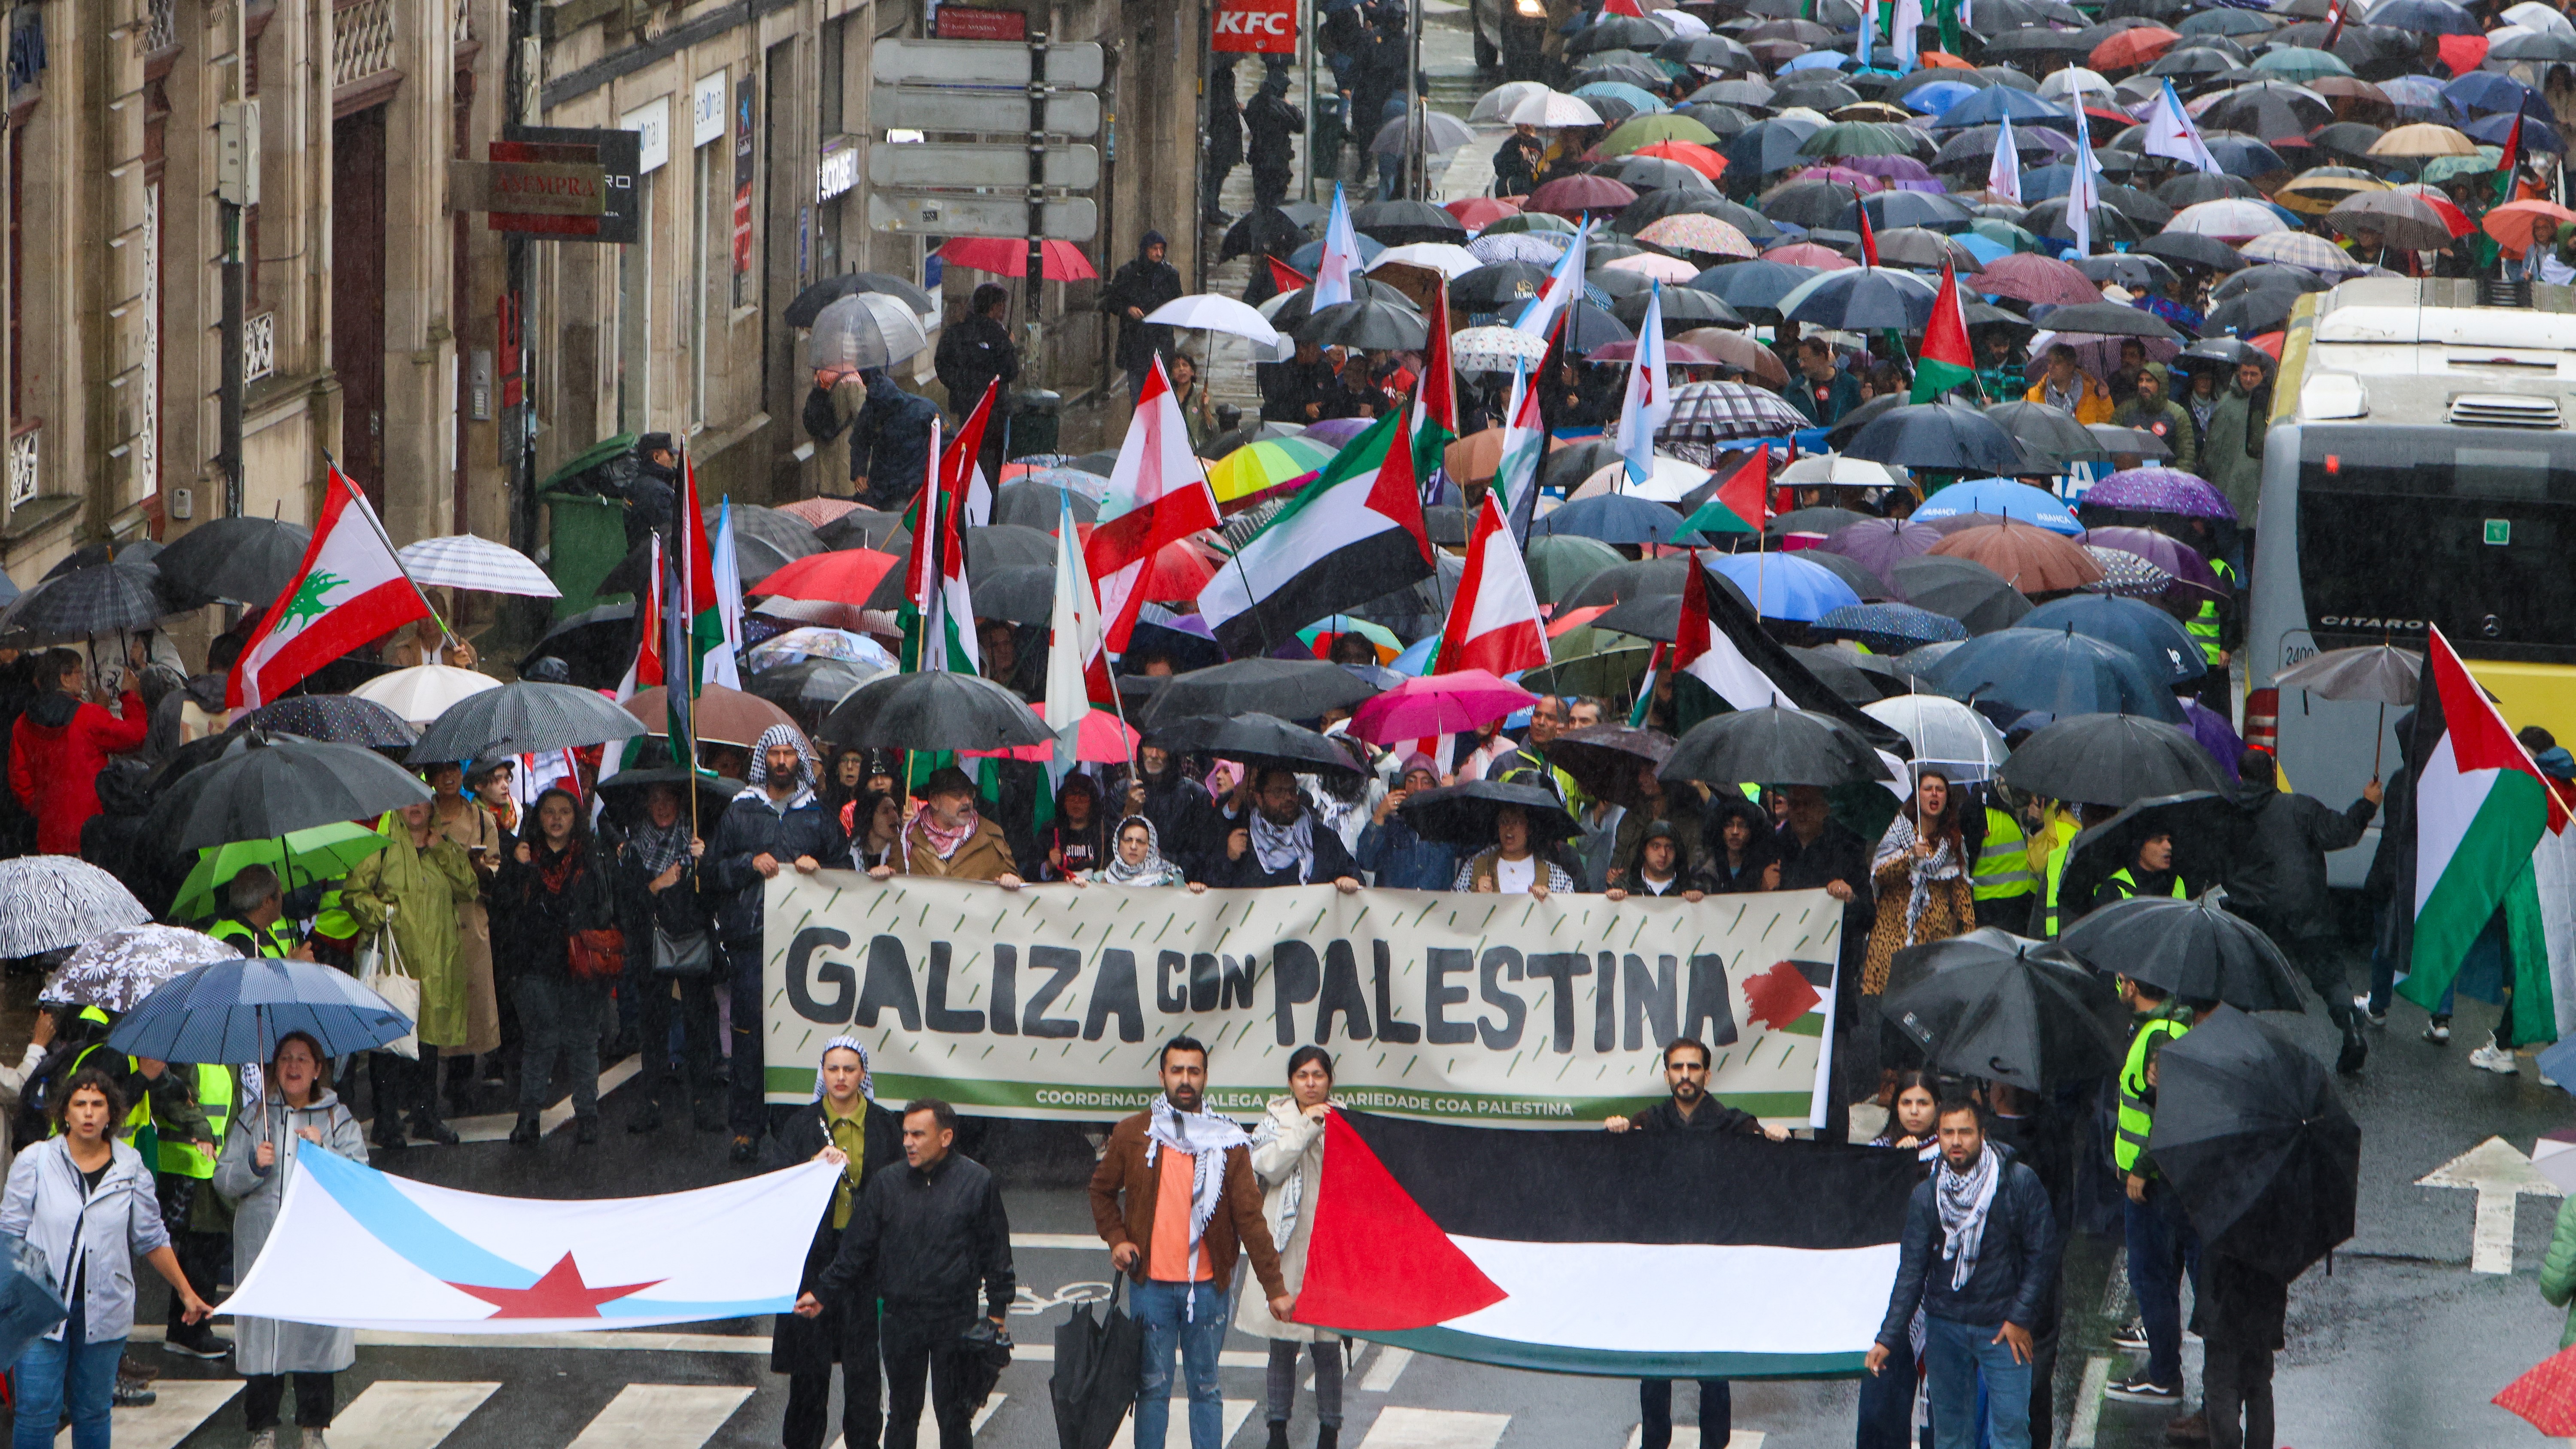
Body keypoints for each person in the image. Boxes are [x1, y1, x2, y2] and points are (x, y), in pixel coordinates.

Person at [1089, 1037, 1293, 1449]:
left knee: (1206, 1388)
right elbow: (1101, 1191)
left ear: (1205, 1077)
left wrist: (1276, 1288)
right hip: (1150, 1287)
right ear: (1162, 1075)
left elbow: (1251, 1219)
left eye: (1194, 1071)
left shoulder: (1230, 1140)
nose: (1186, 1080)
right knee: (1152, 1389)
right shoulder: (1134, 1133)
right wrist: (1117, 1238)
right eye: (1177, 1071)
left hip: (1208, 1289)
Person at [3, 1071, 213, 1449]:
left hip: (105, 1308)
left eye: (97, 1104)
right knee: (36, 1409)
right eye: (79, 1104)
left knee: (93, 1409)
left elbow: (151, 1237)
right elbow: (9, 1235)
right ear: (64, 1112)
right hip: (40, 1310)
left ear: (111, 1113)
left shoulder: (130, 1166)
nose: (88, 1113)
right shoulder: (35, 1160)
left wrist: (186, 1292)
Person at [799, 1098, 1014, 1449]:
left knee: (955, 1416)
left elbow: (996, 1251)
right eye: (906, 1134)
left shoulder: (978, 1182)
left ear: (946, 1137)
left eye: (918, 1134)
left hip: (955, 1318)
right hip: (901, 1319)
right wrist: (823, 1292)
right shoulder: (887, 1184)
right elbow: (856, 1249)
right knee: (902, 1414)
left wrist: (997, 1314)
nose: (908, 1142)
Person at [1604, 1039, 1787, 1449]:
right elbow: (1614, 1174)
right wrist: (1615, 1136)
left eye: (1693, 1067)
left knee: (1713, 1366)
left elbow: (1770, 1170)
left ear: (1708, 1072)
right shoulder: (1647, 1124)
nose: (1685, 1074)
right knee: (1656, 1362)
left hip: (1712, 1264)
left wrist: (1777, 1139)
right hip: (1660, 1263)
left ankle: (1715, 1443)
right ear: (1666, 1072)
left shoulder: (1734, 1125)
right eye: (1677, 1067)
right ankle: (1655, 1439)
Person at [1865, 1098, 2058, 1449]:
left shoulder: (2017, 1181)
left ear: (1982, 1135)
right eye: (1948, 1132)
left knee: (2012, 1432)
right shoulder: (1926, 1195)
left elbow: (2042, 1254)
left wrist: (2020, 1317)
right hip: (1945, 1329)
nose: (1956, 1141)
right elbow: (1911, 1271)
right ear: (1938, 1136)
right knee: (1951, 1436)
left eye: (1965, 1132)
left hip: (2004, 1330)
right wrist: (1887, 1337)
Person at [214, 1033, 362, 1449]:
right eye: (284, 1059)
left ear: (318, 1068)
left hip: (316, 1246)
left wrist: (326, 1151)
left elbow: (360, 1176)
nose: (293, 1067)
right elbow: (223, 1179)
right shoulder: (255, 1116)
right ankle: (263, 1428)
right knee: (265, 1337)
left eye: (302, 1059)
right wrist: (250, 1165)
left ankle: (313, 1429)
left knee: (313, 1335)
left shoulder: (337, 1117)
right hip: (261, 1245)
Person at [713, 726, 851, 1161]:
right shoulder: (739, 812)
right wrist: (747, 863)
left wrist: (820, 868)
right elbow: (712, 873)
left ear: (800, 761)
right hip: (752, 941)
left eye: (790, 753)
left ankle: (795, 1127)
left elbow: (847, 870)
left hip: (805, 947)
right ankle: (746, 1127)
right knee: (749, 1034)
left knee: (801, 1034)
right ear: (763, 760)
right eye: (773, 753)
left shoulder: (818, 815)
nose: (781, 761)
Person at [769, 1039, 902, 1449]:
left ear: (864, 1073)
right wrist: (810, 1166)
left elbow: (898, 1187)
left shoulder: (884, 1125)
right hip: (815, 1259)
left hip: (864, 1261)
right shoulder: (801, 1125)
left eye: (850, 1068)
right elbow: (777, 1183)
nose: (841, 1077)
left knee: (863, 1370)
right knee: (810, 1371)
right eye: (833, 1069)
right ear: (822, 1073)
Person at [2225, 748, 2379, 1074]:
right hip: (2305, 907)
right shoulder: (2299, 808)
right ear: (2272, 776)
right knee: (2329, 974)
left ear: (2240, 777)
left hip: (2252, 912)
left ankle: (2231, 1044)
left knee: (2238, 974)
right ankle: (2350, 1030)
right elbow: (2341, 833)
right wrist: (2367, 804)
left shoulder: (2227, 813)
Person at [340, 796, 477, 1150]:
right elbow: (353, 893)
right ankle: (386, 1121)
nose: (414, 806)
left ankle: (425, 1115)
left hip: (437, 962)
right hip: (394, 962)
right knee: (389, 1045)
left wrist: (441, 848)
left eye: (421, 799)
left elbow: (469, 888)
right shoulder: (382, 848)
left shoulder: (441, 846)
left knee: (428, 1042)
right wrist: (384, 912)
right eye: (406, 800)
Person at [2109, 977, 2215, 1408]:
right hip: (2164, 1178)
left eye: (2120, 980)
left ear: (2132, 985)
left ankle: (2163, 1375)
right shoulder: (2163, 1027)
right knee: (2163, 1276)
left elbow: (2168, 1111)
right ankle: (2162, 1349)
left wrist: (2142, 1168)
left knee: (2151, 1275)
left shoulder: (2163, 1034)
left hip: (2155, 1181)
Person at [493, 788, 617, 1147]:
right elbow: (502, 905)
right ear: (539, 817)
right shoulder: (525, 854)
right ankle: (528, 1119)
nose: (557, 819)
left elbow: (606, 907)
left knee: (582, 1042)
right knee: (540, 1042)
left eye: (565, 811)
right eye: (549, 812)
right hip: (534, 964)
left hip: (582, 965)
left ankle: (588, 1118)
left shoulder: (591, 857)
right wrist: (516, 868)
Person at [1240, 1048, 1343, 1449]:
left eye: (1318, 1075)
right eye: (1303, 1075)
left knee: (1328, 1348)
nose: (1311, 1082)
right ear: (1291, 1081)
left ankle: (1330, 1431)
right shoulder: (1274, 1121)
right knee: (1282, 1344)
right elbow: (1269, 1166)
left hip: (1328, 1246)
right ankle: (1277, 1431)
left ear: (1330, 1081)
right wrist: (1306, 1127)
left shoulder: (1344, 1121)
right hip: (1285, 1247)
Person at [618, 781, 720, 1136]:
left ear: (680, 801)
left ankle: (703, 1103)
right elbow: (627, 905)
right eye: (655, 798)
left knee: (697, 1025)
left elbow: (715, 894)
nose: (662, 806)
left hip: (693, 942)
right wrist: (656, 885)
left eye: (668, 798)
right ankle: (651, 1103)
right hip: (651, 947)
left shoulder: (696, 842)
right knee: (654, 1029)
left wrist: (702, 864)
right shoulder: (635, 849)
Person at [9, 649, 147, 856]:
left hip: (49, 836)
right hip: (91, 833)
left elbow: (20, 782)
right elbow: (136, 736)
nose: (83, 676)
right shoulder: (87, 716)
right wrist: (131, 696)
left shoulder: (23, 722)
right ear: (64, 679)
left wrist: (46, 808)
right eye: (78, 671)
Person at [423, 761, 504, 1097]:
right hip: (432, 921)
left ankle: (461, 1084)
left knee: (471, 1003)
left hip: (471, 920)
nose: (448, 777)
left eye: (454, 770)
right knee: (435, 1004)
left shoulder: (483, 821)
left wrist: (481, 869)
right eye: (440, 771)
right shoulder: (417, 817)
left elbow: (496, 871)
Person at [1862, 769, 1976, 998]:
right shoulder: (1899, 831)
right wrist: (1910, 858)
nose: (1934, 795)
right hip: (1893, 938)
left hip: (1936, 942)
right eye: (1928, 789)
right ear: (1918, 796)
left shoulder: (1954, 840)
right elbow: (1879, 875)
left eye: (1940, 790)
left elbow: (1962, 893)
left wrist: (1969, 936)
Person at [1205, 768, 1364, 890]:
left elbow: (1356, 879)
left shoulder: (1323, 839)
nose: (1288, 798)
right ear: (1259, 798)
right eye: (1278, 792)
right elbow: (1213, 890)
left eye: (1292, 791)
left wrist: (1351, 883)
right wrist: (1229, 857)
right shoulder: (1242, 840)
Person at [2192, 1251, 2289, 1449]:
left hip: (2225, 1300)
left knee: (2221, 1384)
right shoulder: (2278, 1229)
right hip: (2266, 1302)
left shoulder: (2224, 1228)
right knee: (2258, 1385)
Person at [879, 765, 1021, 884]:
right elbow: (893, 888)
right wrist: (882, 876)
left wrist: (1011, 882)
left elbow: (1019, 889)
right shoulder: (907, 838)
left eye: (970, 793)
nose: (967, 801)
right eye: (957, 795)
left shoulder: (991, 837)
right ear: (935, 801)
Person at [932, 283, 1021, 471]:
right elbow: (1011, 370)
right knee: (991, 464)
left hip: (966, 406)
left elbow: (942, 366)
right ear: (995, 307)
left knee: (969, 457)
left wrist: (962, 386)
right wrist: (1009, 346)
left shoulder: (955, 332)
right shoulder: (998, 335)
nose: (1004, 311)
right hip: (994, 409)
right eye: (1002, 306)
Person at [1354, 755, 1458, 890]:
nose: (1418, 788)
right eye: (1411, 780)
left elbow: (1474, 846)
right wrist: (1379, 815)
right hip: (1394, 908)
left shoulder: (1447, 823)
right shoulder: (1389, 824)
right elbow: (1366, 862)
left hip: (1436, 908)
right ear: (1402, 784)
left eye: (1426, 782)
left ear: (1436, 786)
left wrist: (1455, 798)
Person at [1105, 233, 1186, 404]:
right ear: (1145, 250)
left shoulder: (1170, 275)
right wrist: (1128, 310)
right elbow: (1111, 301)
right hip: (1135, 343)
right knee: (1138, 397)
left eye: (1161, 249)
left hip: (1161, 343)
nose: (1158, 253)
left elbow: (1177, 302)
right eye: (1154, 249)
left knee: (1161, 398)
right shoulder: (1128, 273)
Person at [847, 370, 942, 510]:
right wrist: (859, 473)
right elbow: (860, 441)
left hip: (914, 484)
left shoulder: (922, 410)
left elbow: (946, 442)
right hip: (883, 485)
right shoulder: (871, 410)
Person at [2199, 358, 2270, 529]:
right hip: (2226, 483)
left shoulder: (2269, 403)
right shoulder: (2226, 403)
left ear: (2263, 375)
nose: (2248, 379)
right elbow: (2213, 446)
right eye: (2244, 374)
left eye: (2254, 375)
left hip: (2254, 485)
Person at [1452, 803, 1576, 896]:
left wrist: (1551, 902)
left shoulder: (1554, 874)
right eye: (1504, 821)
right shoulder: (1474, 867)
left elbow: (1569, 916)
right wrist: (1476, 898)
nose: (1509, 828)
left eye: (1517, 822)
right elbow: (1454, 911)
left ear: (1529, 829)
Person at [2109, 367, 2198, 474]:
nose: (2143, 385)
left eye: (2149, 381)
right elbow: (2111, 445)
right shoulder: (2125, 410)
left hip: (2165, 480)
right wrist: (2130, 437)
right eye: (2141, 380)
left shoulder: (2178, 414)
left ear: (2161, 384)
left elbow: (2186, 456)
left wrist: (2174, 482)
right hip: (2130, 478)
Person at [1076, 816, 1201, 891]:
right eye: (1128, 840)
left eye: (1141, 842)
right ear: (1118, 845)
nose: (1133, 846)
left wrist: (1196, 891)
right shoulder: (1102, 878)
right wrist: (1078, 887)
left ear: (1151, 848)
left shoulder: (1169, 879)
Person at [1604, 820, 1706, 901]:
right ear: (1644, 850)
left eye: (1669, 848)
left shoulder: (1691, 888)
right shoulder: (1625, 887)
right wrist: (1611, 899)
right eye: (1656, 847)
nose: (1663, 854)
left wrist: (1699, 900)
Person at [1696, 795, 1777, 895]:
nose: (1735, 832)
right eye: (1729, 825)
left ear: (1753, 830)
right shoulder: (1703, 868)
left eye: (1742, 826)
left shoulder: (1766, 869)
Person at [1246, 77, 1305, 212]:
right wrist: (1291, 106)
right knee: (1276, 194)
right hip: (1277, 156)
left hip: (1259, 155)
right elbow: (1300, 126)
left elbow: (1250, 122)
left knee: (1262, 194)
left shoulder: (1255, 102)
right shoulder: (1279, 107)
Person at [2090, 827, 2186, 909]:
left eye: (2170, 841)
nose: (2169, 847)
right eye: (2158, 840)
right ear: (2140, 846)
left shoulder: (2178, 882)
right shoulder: (2113, 889)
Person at [1041, 772, 1111, 881]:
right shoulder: (1050, 830)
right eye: (1072, 794)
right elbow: (1030, 874)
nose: (1077, 800)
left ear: (1092, 801)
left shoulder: (1104, 832)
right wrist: (1049, 865)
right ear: (1064, 800)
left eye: (1083, 795)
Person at [2023, 344, 2113, 423]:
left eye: (2057, 363)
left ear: (2071, 367)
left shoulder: (2092, 394)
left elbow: (2106, 425)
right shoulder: (2033, 395)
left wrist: (2104, 399)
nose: (2052, 367)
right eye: (2050, 362)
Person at [1786, 338, 1864, 427]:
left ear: (1822, 357)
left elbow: (1860, 418)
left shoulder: (1849, 384)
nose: (1802, 365)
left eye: (1806, 360)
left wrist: (1867, 401)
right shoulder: (1796, 386)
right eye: (1800, 360)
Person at [1168, 353, 1221, 453]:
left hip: (1197, 452)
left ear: (1192, 372)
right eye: (1176, 366)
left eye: (1185, 365)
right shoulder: (1168, 397)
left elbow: (1215, 431)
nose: (1181, 369)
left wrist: (1206, 410)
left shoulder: (1203, 396)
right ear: (1172, 374)